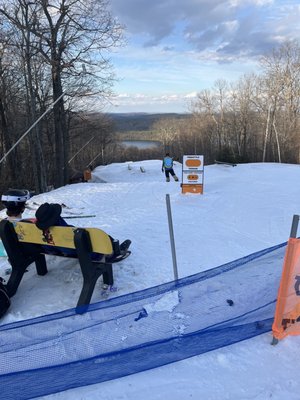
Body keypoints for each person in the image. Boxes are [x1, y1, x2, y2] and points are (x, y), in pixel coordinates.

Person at [34, 202, 131, 262]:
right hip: (88, 253)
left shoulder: (37, 232)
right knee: (101, 237)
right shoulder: (66, 232)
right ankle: (116, 250)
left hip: (61, 249)